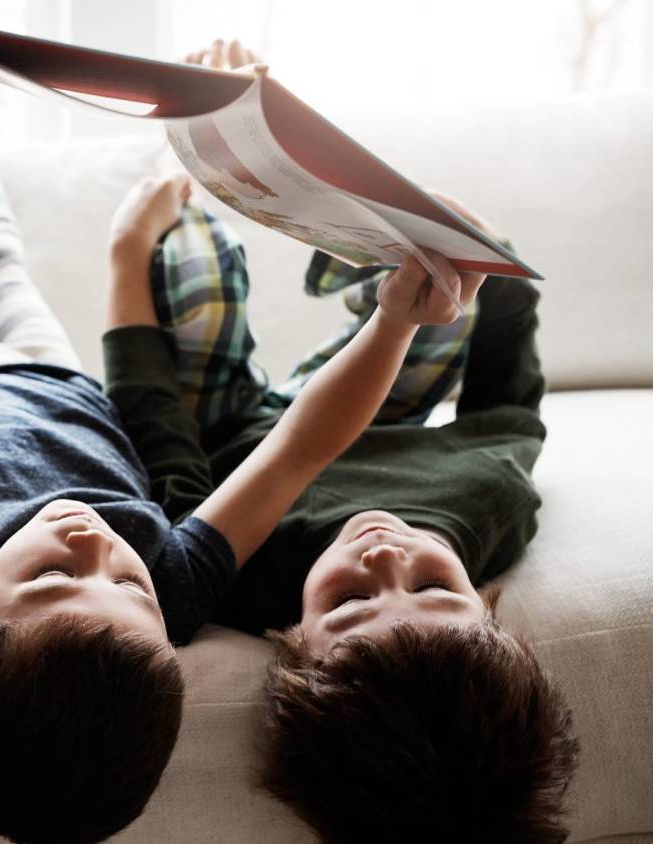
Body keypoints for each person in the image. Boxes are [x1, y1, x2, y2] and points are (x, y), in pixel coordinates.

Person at [0, 5, 473, 841]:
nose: (95, 545)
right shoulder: (176, 583)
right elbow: (297, 452)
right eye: (128, 587)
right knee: (1, 237)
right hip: (56, 371)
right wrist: (394, 324)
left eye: (54, 580)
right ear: (165, 627)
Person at [126, 36, 581, 844]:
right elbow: (508, 406)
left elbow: (161, 444)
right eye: (436, 589)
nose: (382, 560)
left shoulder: (240, 581)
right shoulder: (491, 502)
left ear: (291, 639)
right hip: (375, 405)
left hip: (230, 426)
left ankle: (197, 173)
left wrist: (129, 255)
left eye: (349, 601)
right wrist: (493, 270)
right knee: (452, 291)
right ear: (484, 603)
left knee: (197, 285)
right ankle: (357, 252)